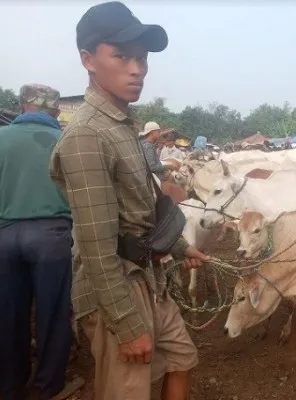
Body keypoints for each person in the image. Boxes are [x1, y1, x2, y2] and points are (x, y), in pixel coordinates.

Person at [49, 2, 209, 399]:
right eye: (121, 55)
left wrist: (181, 245)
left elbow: (144, 208)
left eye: (141, 57)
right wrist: (125, 324)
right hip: (116, 286)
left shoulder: (123, 127)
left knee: (181, 359)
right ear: (88, 59)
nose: (136, 67)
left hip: (147, 276)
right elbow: (96, 246)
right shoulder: (88, 136)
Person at [0, 84, 84, 399]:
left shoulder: (1, 138)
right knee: (53, 314)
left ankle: (10, 385)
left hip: (5, 237)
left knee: (8, 314)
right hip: (51, 238)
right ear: (54, 110)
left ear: (22, 105)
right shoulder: (67, 141)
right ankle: (47, 386)